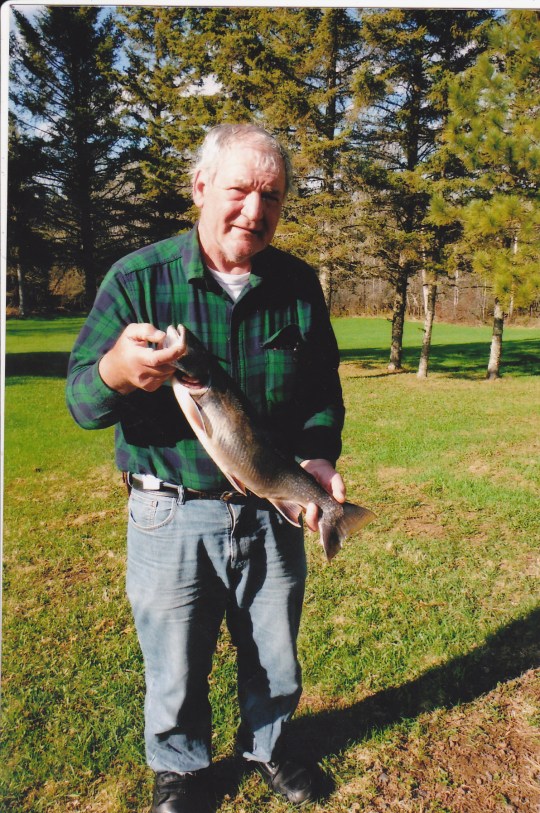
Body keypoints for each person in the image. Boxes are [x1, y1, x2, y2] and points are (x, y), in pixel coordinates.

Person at [66, 123, 346, 813]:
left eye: (272, 195)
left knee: (275, 646)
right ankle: (182, 767)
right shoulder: (137, 279)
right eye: (240, 190)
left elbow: (321, 393)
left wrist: (319, 454)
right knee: (175, 655)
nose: (255, 210)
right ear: (199, 188)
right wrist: (119, 370)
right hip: (171, 509)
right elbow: (80, 399)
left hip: (273, 501)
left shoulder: (298, 284)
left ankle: (271, 741)